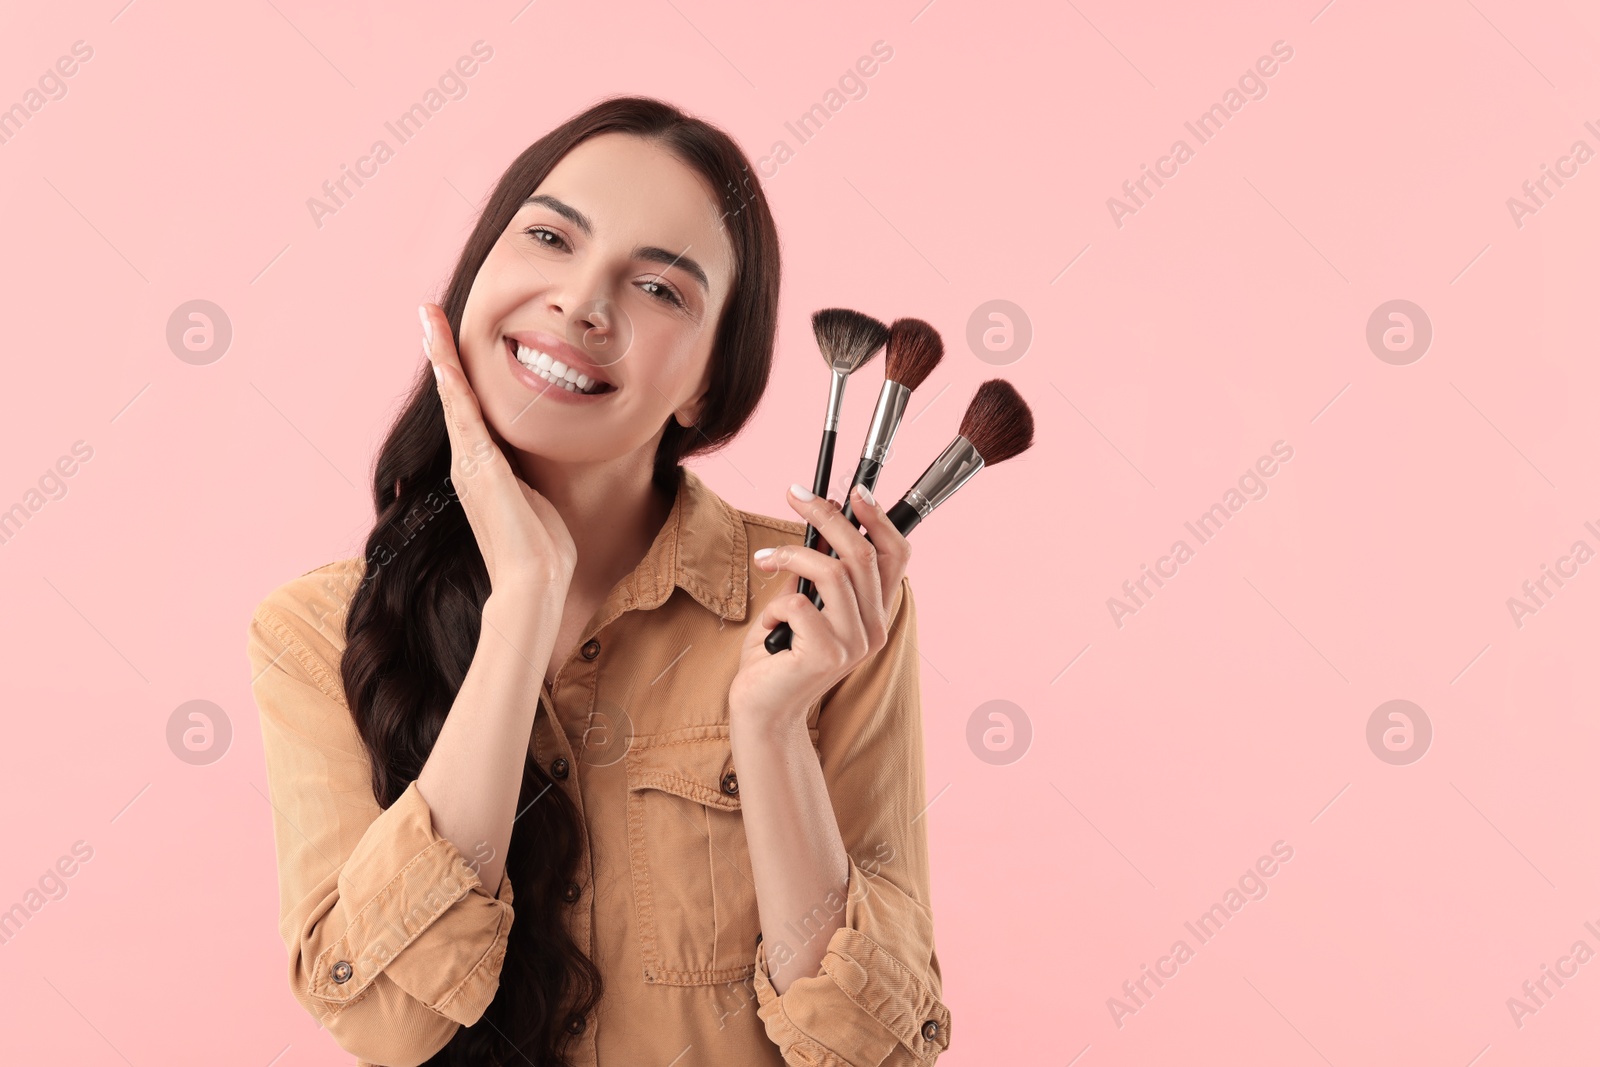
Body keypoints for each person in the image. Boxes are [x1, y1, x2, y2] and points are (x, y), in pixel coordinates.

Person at [246, 95, 950, 1067]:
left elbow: (875, 1048)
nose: (582, 301)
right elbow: (385, 1023)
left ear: (707, 379)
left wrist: (775, 727)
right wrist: (523, 603)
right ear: (477, 273)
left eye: (661, 289)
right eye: (547, 237)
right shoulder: (314, 631)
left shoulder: (822, 611)